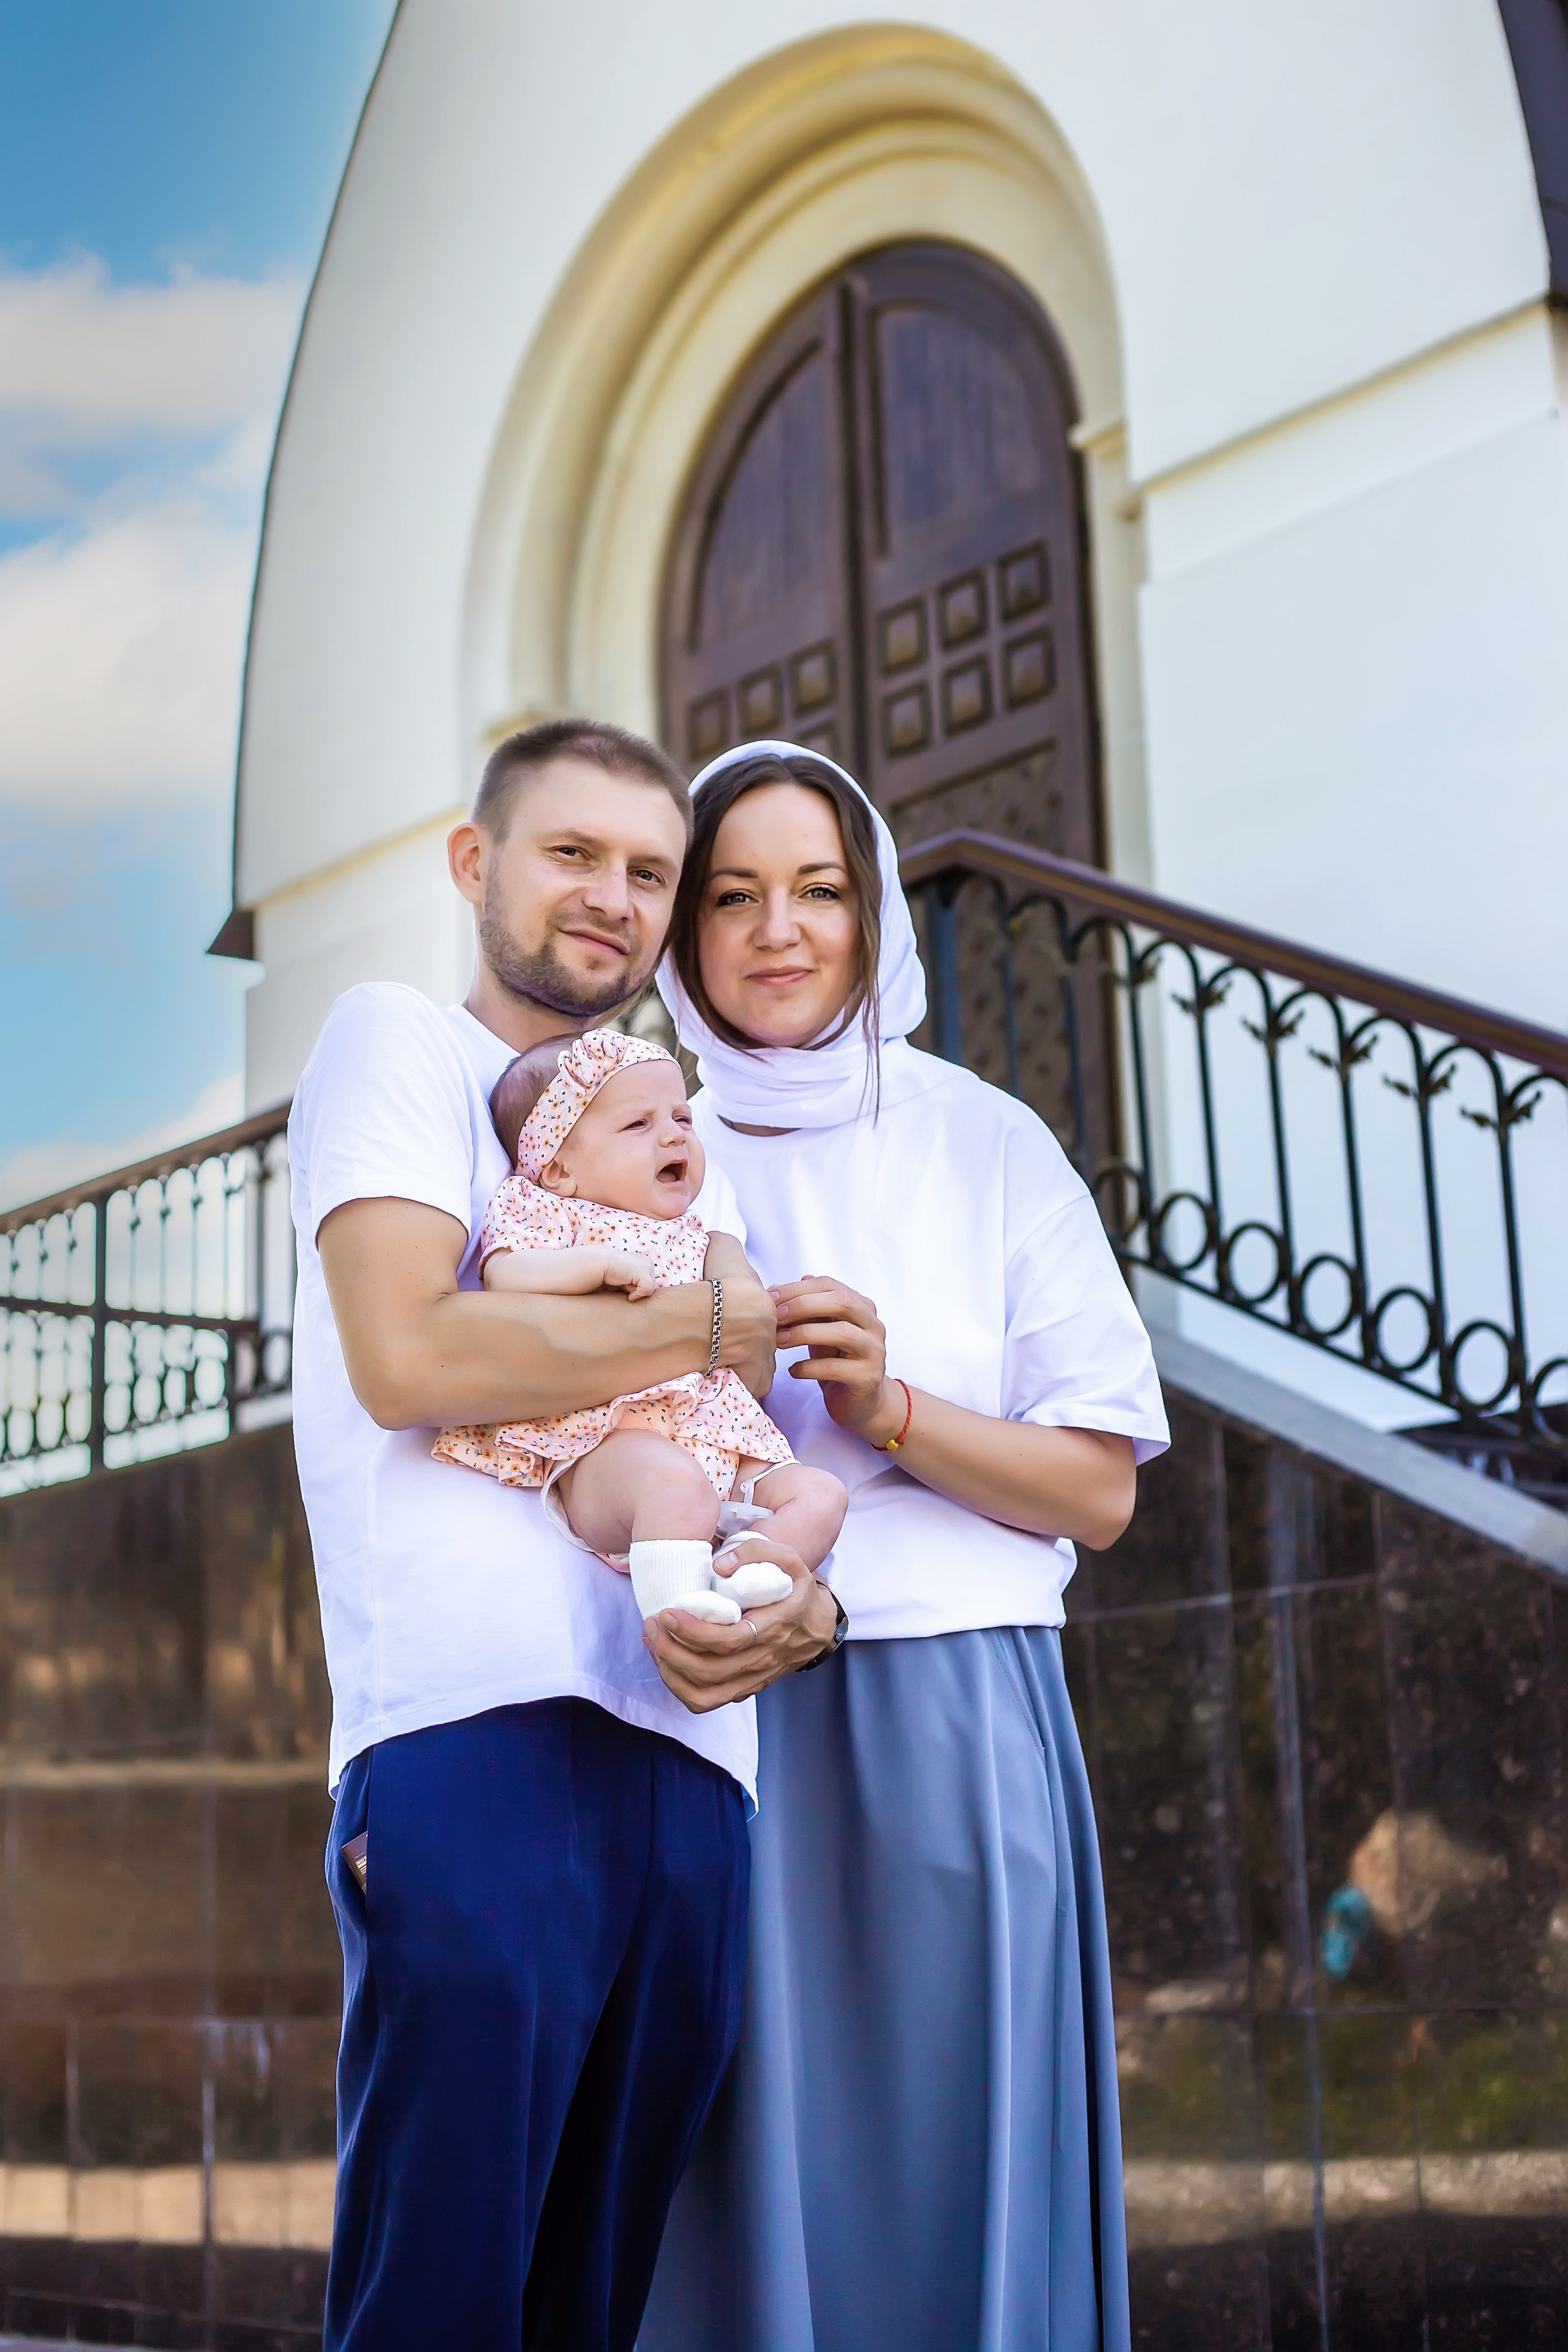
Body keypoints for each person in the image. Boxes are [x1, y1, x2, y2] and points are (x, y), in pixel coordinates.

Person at [287, 719, 842, 2352]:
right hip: (471, 1737)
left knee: (591, 2307)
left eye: (650, 873)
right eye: (573, 853)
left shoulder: (684, 1144)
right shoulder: (400, 1043)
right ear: (478, 865)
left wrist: (804, 1615)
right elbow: (415, 1358)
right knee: (439, 2297)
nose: (615, 897)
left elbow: (758, 1442)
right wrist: (714, 1313)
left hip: (692, 1753)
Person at [638, 741, 1170, 2352]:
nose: (777, 930)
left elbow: (1097, 1490)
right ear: (682, 936)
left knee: (954, 2166)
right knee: (725, 2170)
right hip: (705, 1716)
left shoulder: (983, 1139)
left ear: (874, 917)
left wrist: (892, 1412)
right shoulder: (632, 1152)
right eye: (733, 896)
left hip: (949, 1715)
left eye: (818, 891)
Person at [432, 1023, 847, 1619]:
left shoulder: (696, 1228)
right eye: (638, 1124)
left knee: (821, 1493)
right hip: (612, 1438)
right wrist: (593, 1266)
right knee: (673, 1488)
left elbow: (746, 1328)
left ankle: (749, 1565)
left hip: (720, 1431)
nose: (673, 1136)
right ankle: (682, 1617)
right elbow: (507, 1275)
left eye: (682, 1118)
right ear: (557, 1168)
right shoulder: (549, 1208)